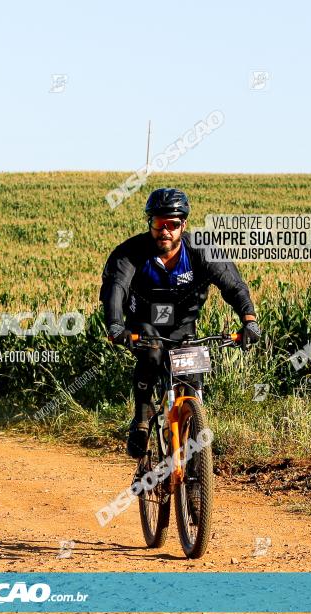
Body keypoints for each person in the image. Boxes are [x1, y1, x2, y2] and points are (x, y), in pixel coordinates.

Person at [99, 188, 261, 460]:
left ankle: (196, 464)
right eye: (159, 223)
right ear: (150, 223)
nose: (165, 231)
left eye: (172, 224)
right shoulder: (130, 253)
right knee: (151, 356)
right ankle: (141, 417)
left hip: (183, 326)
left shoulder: (201, 250)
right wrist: (116, 326)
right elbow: (116, 289)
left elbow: (232, 284)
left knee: (192, 379)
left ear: (183, 225)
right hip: (144, 325)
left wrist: (249, 320)